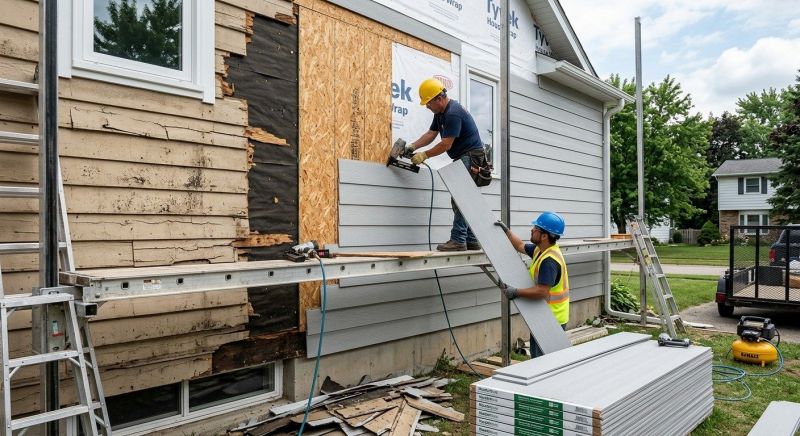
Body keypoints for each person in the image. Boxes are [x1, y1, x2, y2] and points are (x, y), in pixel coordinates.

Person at [405, 77, 486, 251]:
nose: (427, 107)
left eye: (428, 103)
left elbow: (445, 144)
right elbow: (430, 134)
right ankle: (471, 240)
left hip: (471, 157)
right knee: (466, 199)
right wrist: (413, 146)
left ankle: (458, 240)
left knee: (460, 198)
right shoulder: (440, 113)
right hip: (465, 156)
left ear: (439, 99)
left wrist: (424, 155)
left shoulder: (453, 113)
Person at [495, 212, 570, 357]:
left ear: (544, 236)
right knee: (539, 358)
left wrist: (516, 292)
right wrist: (506, 231)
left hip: (551, 320)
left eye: (535, 228)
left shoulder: (549, 261)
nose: (532, 230)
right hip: (543, 314)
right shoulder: (541, 250)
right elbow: (520, 245)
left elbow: (542, 292)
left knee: (543, 362)